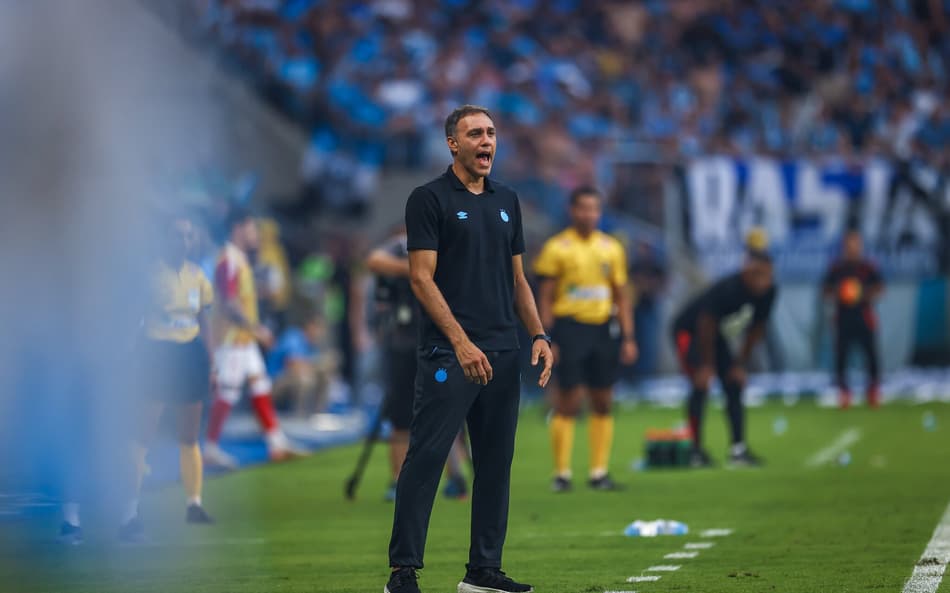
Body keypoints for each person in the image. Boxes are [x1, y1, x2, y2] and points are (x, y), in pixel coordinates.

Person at [384, 105, 553, 593]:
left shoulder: (508, 199)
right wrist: (460, 342)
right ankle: (403, 571)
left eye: (492, 133)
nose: (487, 142)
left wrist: (539, 335)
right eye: (475, 133)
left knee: (496, 464)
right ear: (452, 144)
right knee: (427, 458)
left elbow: (518, 279)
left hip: (503, 351)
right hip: (448, 354)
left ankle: (482, 572)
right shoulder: (429, 199)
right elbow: (420, 277)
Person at [119, 213, 217, 541]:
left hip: (189, 355)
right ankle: (129, 512)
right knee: (140, 436)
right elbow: (133, 318)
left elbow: (203, 320)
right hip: (157, 354)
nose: (183, 242)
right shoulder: (149, 276)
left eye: (188, 235)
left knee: (189, 435)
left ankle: (194, 503)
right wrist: (131, 356)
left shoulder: (197, 276)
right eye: (177, 235)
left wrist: (211, 360)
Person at [533, 186, 638, 492]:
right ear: (572, 211)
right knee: (568, 399)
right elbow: (546, 296)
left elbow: (622, 295)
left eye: (594, 209)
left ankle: (598, 472)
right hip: (570, 327)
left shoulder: (611, 248)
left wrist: (628, 337)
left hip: (604, 327)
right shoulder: (557, 248)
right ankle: (562, 473)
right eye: (583, 208)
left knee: (603, 400)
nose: (589, 214)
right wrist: (546, 335)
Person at [366, 226, 469, 502]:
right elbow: (373, 261)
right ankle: (398, 481)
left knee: (446, 414)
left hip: (441, 342)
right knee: (401, 417)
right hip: (404, 343)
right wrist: (416, 270)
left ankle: (455, 478)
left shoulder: (449, 244)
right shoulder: (401, 246)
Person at [203, 208, 303, 469]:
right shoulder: (228, 260)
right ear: (238, 228)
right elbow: (228, 302)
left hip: (242, 339)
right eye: (251, 228)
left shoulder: (238, 259)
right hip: (232, 338)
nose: (255, 234)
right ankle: (210, 448)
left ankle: (276, 443)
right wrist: (256, 328)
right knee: (227, 392)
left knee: (260, 386)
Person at [671, 230, 777, 468]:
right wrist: (706, 365)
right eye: (758, 274)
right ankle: (695, 451)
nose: (763, 281)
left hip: (717, 337)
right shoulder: (729, 288)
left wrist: (740, 364)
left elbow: (756, 329)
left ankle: (738, 450)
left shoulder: (769, 293)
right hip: (690, 332)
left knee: (734, 383)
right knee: (700, 384)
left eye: (767, 275)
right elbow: (705, 324)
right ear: (746, 271)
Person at [822, 229, 884, 408]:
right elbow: (825, 291)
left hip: (864, 317)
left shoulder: (867, 267)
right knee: (841, 356)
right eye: (849, 245)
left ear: (860, 246)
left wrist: (863, 294)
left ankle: (873, 390)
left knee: (871, 354)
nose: (853, 248)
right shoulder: (837, 268)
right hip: (843, 318)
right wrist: (840, 294)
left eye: (856, 244)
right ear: (844, 247)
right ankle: (844, 392)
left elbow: (880, 288)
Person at [267, 312, 338, 417]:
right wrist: (319, 364)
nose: (320, 333)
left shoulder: (312, 345)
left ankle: (319, 415)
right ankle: (299, 418)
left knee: (324, 376)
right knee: (305, 378)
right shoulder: (293, 336)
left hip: (293, 379)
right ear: (310, 326)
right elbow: (294, 365)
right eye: (318, 328)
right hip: (273, 384)